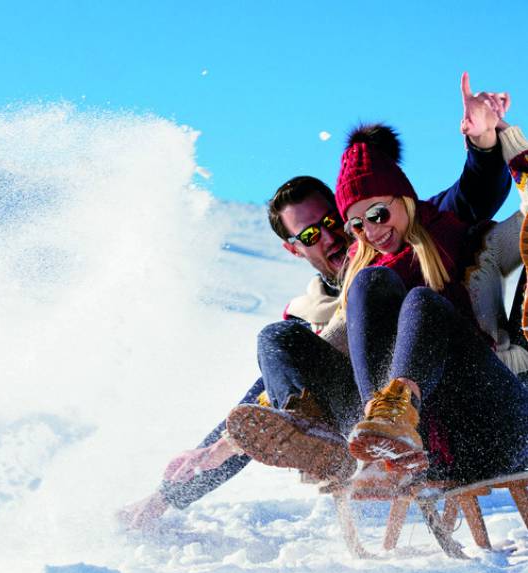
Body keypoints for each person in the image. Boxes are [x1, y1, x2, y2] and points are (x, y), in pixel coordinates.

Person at [119, 74, 512, 529]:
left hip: (450, 402)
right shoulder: (312, 313)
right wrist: (169, 493)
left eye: (332, 221)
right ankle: (335, 443)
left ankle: (383, 436)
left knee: (376, 287)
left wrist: (484, 142)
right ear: (295, 249)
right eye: (310, 234)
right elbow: (261, 407)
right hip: (363, 418)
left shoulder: (413, 233)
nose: (331, 237)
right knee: (276, 340)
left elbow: (476, 191)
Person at [333, 118, 528, 483]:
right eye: (357, 225)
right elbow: (329, 340)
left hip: (497, 421)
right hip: (431, 451)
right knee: (368, 282)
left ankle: (392, 420)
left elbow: (484, 188)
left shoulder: (449, 228)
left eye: (377, 214)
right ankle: (382, 435)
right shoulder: (364, 277)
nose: (371, 231)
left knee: (424, 302)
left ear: (404, 198)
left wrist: (487, 140)